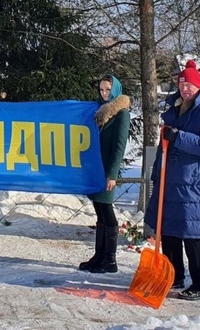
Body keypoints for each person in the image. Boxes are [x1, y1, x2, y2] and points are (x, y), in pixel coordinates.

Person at [144, 60, 200, 301]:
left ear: (199, 87)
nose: (186, 88)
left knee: (194, 234)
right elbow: (164, 147)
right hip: (171, 182)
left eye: (190, 84)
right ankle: (174, 275)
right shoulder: (173, 111)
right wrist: (157, 172)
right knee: (169, 231)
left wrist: (180, 137)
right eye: (182, 84)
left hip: (194, 184)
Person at [79, 75, 131, 274]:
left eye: (108, 89)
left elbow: (119, 146)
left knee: (107, 213)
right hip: (95, 168)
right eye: (101, 90)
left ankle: (110, 259)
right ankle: (99, 255)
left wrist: (112, 174)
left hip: (107, 171)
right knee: (99, 212)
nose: (104, 93)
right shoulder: (99, 112)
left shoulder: (121, 114)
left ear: (115, 89)